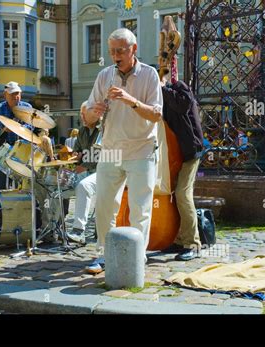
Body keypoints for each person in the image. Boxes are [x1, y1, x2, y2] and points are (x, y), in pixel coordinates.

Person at [84, 28, 163, 274]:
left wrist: (130, 100)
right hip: (110, 148)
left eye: (121, 51)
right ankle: (105, 254)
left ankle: (137, 256)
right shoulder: (104, 75)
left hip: (141, 148)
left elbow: (157, 114)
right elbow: (87, 120)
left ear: (134, 49)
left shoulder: (150, 75)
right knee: (105, 205)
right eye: (112, 51)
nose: (115, 56)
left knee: (141, 208)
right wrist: (92, 113)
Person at [161, 76, 204, 261]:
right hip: (176, 154)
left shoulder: (179, 87)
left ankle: (192, 244)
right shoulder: (162, 96)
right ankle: (180, 239)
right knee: (174, 195)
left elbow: (183, 105)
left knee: (182, 195)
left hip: (190, 151)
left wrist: (163, 87)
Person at [0, 81, 35, 189]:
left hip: (22, 149)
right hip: (3, 149)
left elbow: (32, 126)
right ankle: (2, 204)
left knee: (21, 184)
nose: (16, 97)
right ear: (5, 95)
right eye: (12, 94)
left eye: (18, 94)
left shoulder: (27, 107)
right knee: (1, 184)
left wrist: (19, 128)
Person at [66, 101, 100, 245]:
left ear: (94, 114)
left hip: (102, 169)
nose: (82, 117)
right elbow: (78, 150)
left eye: (84, 114)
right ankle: (55, 228)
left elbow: (102, 152)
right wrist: (76, 156)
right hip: (85, 170)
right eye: (81, 114)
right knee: (59, 186)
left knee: (83, 186)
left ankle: (79, 231)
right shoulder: (82, 130)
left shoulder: (103, 128)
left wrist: (84, 165)